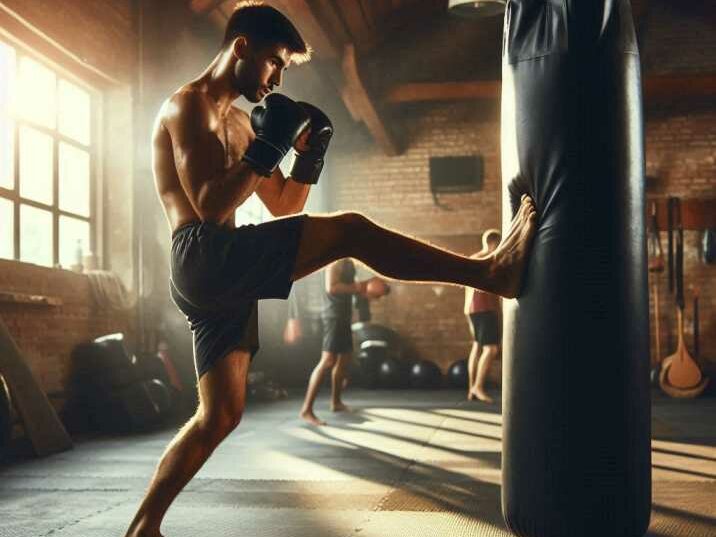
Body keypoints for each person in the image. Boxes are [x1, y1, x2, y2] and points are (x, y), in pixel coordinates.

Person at [125, 3, 537, 536]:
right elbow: (208, 204)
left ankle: (143, 527)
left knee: (220, 416)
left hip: (219, 273)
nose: (276, 78)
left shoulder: (239, 122)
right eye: (275, 62)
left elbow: (284, 205)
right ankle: (488, 273)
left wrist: (307, 157)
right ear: (242, 47)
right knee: (350, 230)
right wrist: (271, 145)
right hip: (204, 253)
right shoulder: (188, 106)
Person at [299, 259, 386, 426]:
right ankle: (306, 410)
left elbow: (350, 287)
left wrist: (367, 290)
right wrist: (360, 286)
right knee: (327, 361)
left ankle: (336, 402)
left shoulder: (349, 262)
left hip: (344, 315)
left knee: (345, 358)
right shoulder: (335, 262)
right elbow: (331, 287)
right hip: (333, 316)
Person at [464, 229, 502, 404]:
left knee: (477, 346)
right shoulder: (491, 259)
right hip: (485, 308)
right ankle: (478, 387)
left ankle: (471, 388)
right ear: (495, 243)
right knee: (491, 348)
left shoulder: (473, 258)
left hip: (471, 310)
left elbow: (466, 288)